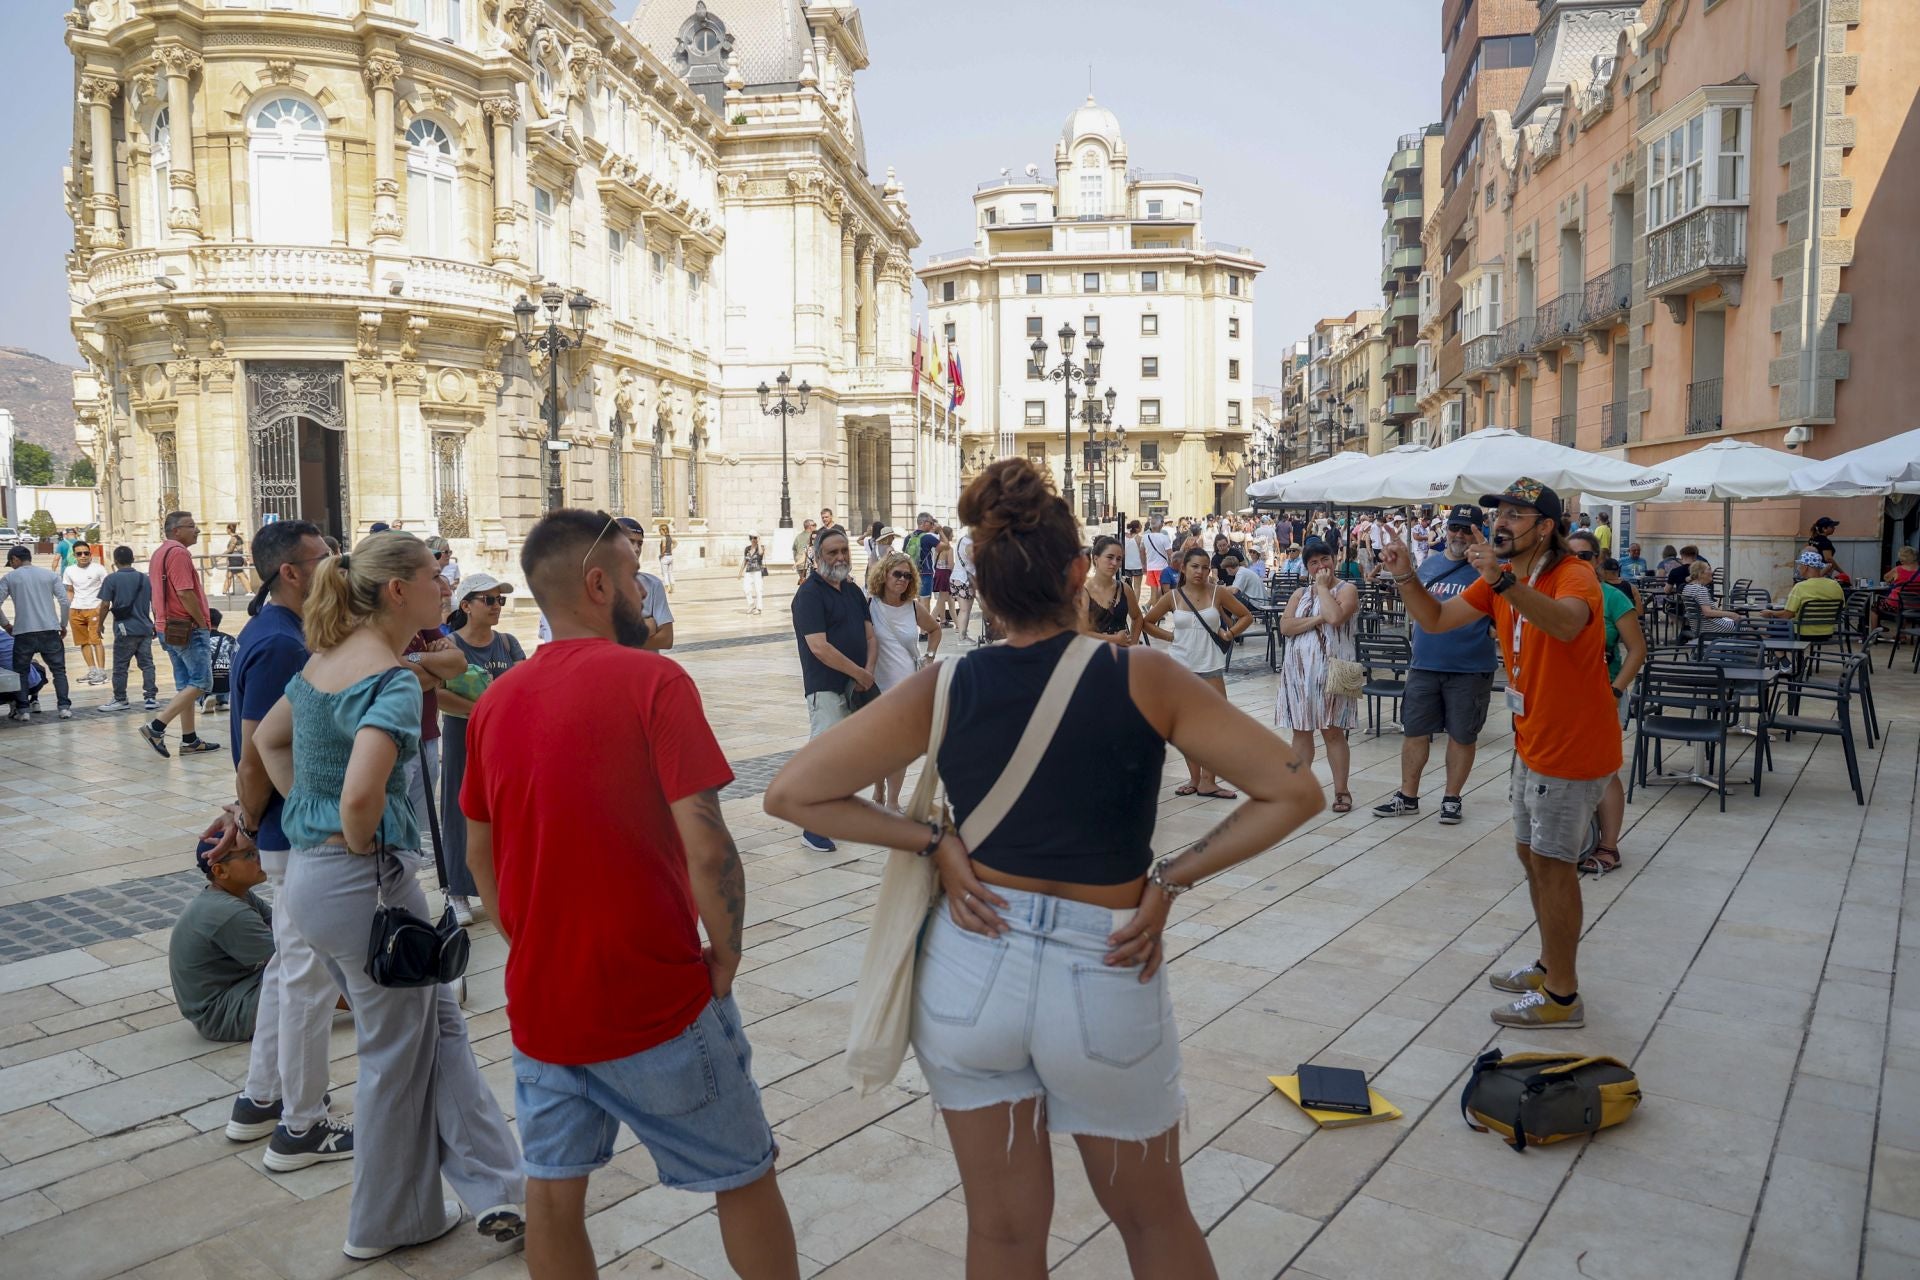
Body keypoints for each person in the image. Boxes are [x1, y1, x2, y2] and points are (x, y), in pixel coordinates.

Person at [763, 458, 1323, 1279]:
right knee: (1153, 1220)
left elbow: (792, 791)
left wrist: (932, 843)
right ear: (1075, 574)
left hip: (972, 958)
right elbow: (1292, 791)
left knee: (1002, 1232)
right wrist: (1170, 879)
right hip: (1106, 962)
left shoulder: (944, 684)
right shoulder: (1144, 676)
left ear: (981, 590)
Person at [463, 509, 799, 1280]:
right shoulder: (654, 681)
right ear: (597, 583)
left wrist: (531, 939)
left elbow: (480, 852)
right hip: (654, 998)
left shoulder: (495, 703)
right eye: (635, 576)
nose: (647, 593)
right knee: (744, 1173)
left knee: (552, 1201)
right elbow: (707, 841)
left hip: (545, 1005)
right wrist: (727, 954)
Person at [251, 531, 525, 1259]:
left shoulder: (331, 660)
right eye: (437, 576)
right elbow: (364, 791)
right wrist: (354, 836)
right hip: (363, 884)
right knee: (395, 1058)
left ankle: (500, 1186)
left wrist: (309, 818)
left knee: (439, 1032)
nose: (449, 585)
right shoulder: (390, 680)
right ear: (399, 590)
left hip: (319, 878)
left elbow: (270, 742)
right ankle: (387, 1222)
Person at [1381, 477, 1618, 1029]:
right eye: (1499, 513)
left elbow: (1565, 625)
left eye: (1516, 513)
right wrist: (1405, 574)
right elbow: (1436, 620)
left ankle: (1562, 996)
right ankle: (1549, 964)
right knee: (1532, 859)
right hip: (1531, 740)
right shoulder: (1503, 580)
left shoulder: (1573, 574)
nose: (1501, 522)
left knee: (1555, 868)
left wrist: (1503, 582)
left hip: (1572, 746)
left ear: (1546, 527)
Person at [227, 518, 357, 1169]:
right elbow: (258, 752)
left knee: (288, 971)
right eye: (324, 558)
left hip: (279, 826)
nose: (334, 565)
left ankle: (259, 1099)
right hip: (288, 829)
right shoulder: (282, 643)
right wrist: (248, 823)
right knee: (306, 979)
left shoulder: (275, 632)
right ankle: (303, 1126)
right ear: (292, 573)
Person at [1373, 507, 1498, 825]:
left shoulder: (1490, 571)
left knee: (1462, 735)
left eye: (1467, 529)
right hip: (1425, 664)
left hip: (1469, 669)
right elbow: (1414, 603)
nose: (1459, 534)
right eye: (1454, 527)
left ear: (1479, 533)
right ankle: (1408, 796)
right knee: (1414, 731)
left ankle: (1451, 798)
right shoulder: (1430, 565)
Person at [439, 573, 526, 926]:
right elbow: (437, 693)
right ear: (466, 605)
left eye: (499, 600)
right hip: (463, 734)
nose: (495, 607)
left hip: (503, 739)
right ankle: (456, 891)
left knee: (503, 809)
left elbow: (522, 686)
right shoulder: (449, 646)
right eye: (487, 600)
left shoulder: (507, 643)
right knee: (458, 808)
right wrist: (481, 710)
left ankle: (500, 884)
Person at [1143, 546, 1254, 800]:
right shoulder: (1173, 596)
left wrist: (1230, 632)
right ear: (1183, 568)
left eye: (1205, 567)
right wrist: (1172, 636)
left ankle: (1209, 781)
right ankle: (1194, 779)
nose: (1200, 572)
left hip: (1210, 667)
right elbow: (1147, 622)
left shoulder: (1218, 592)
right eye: (1195, 566)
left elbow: (1245, 616)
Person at [788, 526, 875, 853]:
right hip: (826, 688)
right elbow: (819, 647)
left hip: (858, 686)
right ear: (817, 556)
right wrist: (858, 672)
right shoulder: (809, 595)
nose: (839, 557)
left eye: (844, 551)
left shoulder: (852, 592)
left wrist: (868, 672)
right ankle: (812, 826)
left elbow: (870, 636)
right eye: (832, 552)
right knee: (826, 756)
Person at [1274, 538, 1360, 812]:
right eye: (1313, 562)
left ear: (1334, 559)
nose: (1320, 566)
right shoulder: (1300, 593)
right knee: (1301, 732)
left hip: (1335, 670)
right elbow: (1286, 626)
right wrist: (1316, 619)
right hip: (1299, 674)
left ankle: (1341, 791)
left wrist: (1323, 589)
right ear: (1307, 566)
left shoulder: (1347, 589)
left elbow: (1335, 618)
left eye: (1324, 559)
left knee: (1333, 731)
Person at [170, 832, 274, 1043]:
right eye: (249, 855)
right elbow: (295, 959)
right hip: (220, 1016)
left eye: (257, 850)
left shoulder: (237, 895)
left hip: (237, 992)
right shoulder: (227, 912)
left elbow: (288, 929)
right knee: (307, 972)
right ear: (220, 870)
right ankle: (359, 1005)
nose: (260, 858)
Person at [866, 552, 940, 808]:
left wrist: (929, 657)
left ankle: (893, 802)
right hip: (876, 687)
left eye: (907, 576)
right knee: (877, 749)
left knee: (897, 750)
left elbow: (935, 630)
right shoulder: (869, 605)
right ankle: (878, 791)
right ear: (884, 574)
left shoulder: (913, 607)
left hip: (906, 689)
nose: (902, 580)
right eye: (897, 574)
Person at [1587, 554, 1646, 877]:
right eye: (1572, 555)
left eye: (1584, 556)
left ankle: (1608, 845)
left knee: (1603, 768)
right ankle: (1577, 838)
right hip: (1561, 696)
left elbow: (1638, 649)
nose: (1577, 562)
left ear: (1596, 561)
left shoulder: (1612, 597)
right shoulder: (1552, 593)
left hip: (1605, 692)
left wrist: (1616, 690)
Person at [142, 511, 220, 754]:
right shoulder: (178, 553)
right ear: (176, 531)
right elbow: (185, 592)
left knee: (186, 684)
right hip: (187, 627)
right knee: (202, 682)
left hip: (168, 627)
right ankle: (156, 727)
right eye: (191, 526)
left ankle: (189, 739)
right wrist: (202, 622)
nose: (197, 530)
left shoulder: (160, 552)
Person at [0, 544, 71, 720]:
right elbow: (64, 602)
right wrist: (62, 624)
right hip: (49, 629)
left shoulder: (10, 578)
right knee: (59, 671)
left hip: (24, 631)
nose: (12, 565)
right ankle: (63, 707)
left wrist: (6, 625)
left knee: (21, 672)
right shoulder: (50, 575)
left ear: (15, 559)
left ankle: (23, 710)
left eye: (12, 562)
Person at [97, 544, 159, 712]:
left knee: (120, 666)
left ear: (115, 561)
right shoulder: (144, 578)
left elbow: (104, 604)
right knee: (147, 664)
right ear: (132, 559)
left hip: (125, 629)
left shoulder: (111, 579)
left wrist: (99, 624)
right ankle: (150, 698)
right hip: (145, 628)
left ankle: (120, 698)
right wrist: (155, 623)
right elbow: (154, 604)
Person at [615, 517, 675, 649]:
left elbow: (666, 639)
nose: (636, 549)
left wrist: (617, 641)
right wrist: (646, 627)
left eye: (640, 544)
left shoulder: (653, 584)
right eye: (630, 542)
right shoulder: (594, 586)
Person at [1765, 551, 1847, 636]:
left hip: (1801, 633)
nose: (1798, 568)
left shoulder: (1800, 587)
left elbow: (1787, 615)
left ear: (1805, 567)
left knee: (1772, 629)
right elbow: (1841, 609)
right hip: (1827, 633)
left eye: (1800, 565)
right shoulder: (1836, 585)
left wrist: (1771, 613)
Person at [62, 542, 109, 686]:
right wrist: (69, 608)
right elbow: (70, 590)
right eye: (79, 553)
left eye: (86, 553)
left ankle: (101, 672)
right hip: (76, 609)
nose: (83, 556)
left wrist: (100, 607)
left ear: (90, 554)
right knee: (83, 642)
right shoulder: (69, 570)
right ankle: (92, 670)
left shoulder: (99, 569)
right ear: (74, 555)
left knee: (96, 640)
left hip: (94, 608)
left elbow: (107, 589)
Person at [1082, 534, 1143, 644]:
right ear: (1096, 558)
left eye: (1118, 559)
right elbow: (1081, 632)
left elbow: (1137, 616)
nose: (1114, 563)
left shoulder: (1124, 588)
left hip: (1121, 655)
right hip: (1094, 655)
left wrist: (1133, 642)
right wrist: (1114, 639)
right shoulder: (1084, 591)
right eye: (1109, 557)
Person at [1683, 560, 1739, 634]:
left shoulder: (1687, 587)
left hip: (1699, 627)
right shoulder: (1700, 589)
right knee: (1747, 627)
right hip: (1711, 627)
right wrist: (1732, 614)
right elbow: (1707, 612)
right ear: (1701, 573)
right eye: (1709, 569)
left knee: (1745, 628)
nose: (1712, 572)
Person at [204, 608, 237, 712]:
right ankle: (223, 701)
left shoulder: (200, 639)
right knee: (227, 670)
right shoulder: (230, 639)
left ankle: (204, 699)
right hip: (226, 682)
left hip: (208, 681)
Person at [951, 525, 978, 640]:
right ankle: (963, 637)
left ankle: (963, 636)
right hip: (965, 579)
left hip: (956, 577)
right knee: (965, 610)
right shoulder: (970, 545)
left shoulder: (962, 540)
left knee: (963, 609)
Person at [1142, 516, 1173, 601]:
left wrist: (1143, 564)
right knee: (1162, 590)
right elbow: (1170, 554)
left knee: (1153, 591)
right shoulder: (1164, 537)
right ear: (1161, 525)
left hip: (1150, 567)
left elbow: (1142, 551)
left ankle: (1154, 610)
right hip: (1162, 568)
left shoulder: (1145, 537)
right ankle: (1159, 610)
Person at [933, 525, 957, 625]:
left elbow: (935, 561)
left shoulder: (938, 548)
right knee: (940, 603)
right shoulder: (949, 549)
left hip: (939, 573)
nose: (953, 535)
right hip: (946, 575)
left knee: (950, 602)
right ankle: (926, 627)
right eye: (952, 534)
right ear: (948, 535)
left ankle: (959, 626)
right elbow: (951, 565)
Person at [741, 534, 767, 614]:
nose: (753, 539)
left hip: (758, 571)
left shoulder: (761, 547)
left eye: (754, 538)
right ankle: (751, 604)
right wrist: (740, 572)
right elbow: (745, 560)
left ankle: (759, 608)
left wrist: (759, 542)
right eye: (751, 538)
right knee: (746, 589)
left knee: (758, 590)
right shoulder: (747, 549)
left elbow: (760, 553)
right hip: (748, 571)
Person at [223, 524, 249, 595]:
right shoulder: (239, 538)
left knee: (240, 575)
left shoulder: (233, 538)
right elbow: (242, 549)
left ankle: (250, 591)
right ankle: (224, 593)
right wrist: (244, 558)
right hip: (236, 558)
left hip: (235, 559)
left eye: (226, 529)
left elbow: (230, 550)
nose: (226, 530)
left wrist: (220, 556)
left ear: (229, 530)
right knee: (229, 576)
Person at [656, 523, 676, 594]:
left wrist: (661, 554)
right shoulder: (670, 537)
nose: (659, 531)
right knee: (670, 573)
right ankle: (672, 587)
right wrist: (671, 549)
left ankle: (666, 588)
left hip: (665, 557)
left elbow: (664, 546)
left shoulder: (663, 538)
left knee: (665, 573)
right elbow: (676, 542)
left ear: (663, 530)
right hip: (670, 556)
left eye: (660, 530)